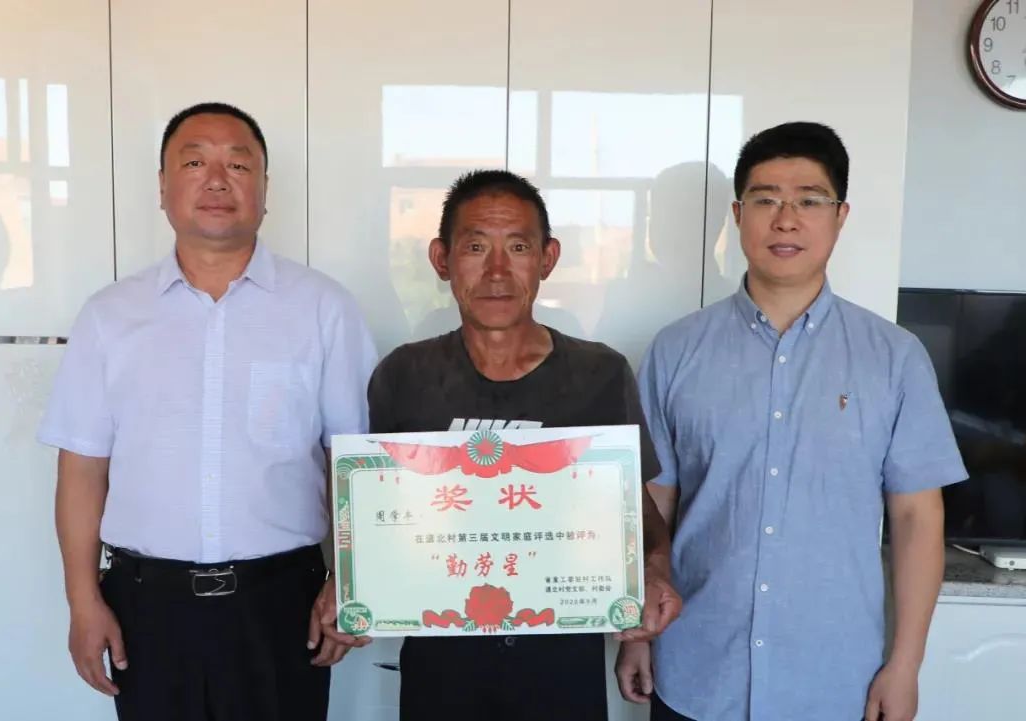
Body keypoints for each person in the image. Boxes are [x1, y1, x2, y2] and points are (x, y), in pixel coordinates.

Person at [38, 102, 376, 721]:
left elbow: (355, 462)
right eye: (194, 163)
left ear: (265, 190)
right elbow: (82, 470)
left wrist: (350, 583)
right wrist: (83, 602)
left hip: (283, 605)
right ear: (162, 187)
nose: (217, 180)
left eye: (238, 165)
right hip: (145, 608)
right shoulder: (109, 316)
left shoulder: (324, 309)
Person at [619, 122, 967, 721]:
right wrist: (637, 633)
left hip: (835, 680)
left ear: (840, 216)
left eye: (809, 200)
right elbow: (654, 504)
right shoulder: (676, 350)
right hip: (697, 667)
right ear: (738, 215)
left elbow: (916, 517)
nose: (786, 220)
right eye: (766, 200)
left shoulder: (894, 357)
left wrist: (905, 665)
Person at [367, 169, 682, 721]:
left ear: (547, 258)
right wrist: (348, 583)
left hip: (561, 663)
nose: (497, 271)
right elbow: (377, 518)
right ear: (441, 259)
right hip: (441, 664)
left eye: (517, 247)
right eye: (475, 247)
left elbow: (638, 515)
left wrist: (654, 573)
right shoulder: (404, 376)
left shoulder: (600, 374)